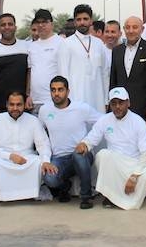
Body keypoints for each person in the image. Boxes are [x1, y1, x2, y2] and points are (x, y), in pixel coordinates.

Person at [76, 87, 146, 210]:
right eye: (114, 103)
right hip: (115, 165)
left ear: (128, 103)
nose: (117, 107)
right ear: (110, 105)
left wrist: (134, 176)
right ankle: (111, 196)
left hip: (133, 164)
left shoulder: (137, 121)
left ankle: (137, 192)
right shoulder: (105, 120)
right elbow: (92, 138)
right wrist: (84, 144)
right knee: (103, 155)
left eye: (121, 103)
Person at [39, 76, 101, 209]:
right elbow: (41, 138)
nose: (56, 93)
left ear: (67, 91)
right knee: (49, 178)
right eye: (53, 90)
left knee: (79, 157)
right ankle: (64, 186)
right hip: (58, 158)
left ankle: (86, 197)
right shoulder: (44, 111)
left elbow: (102, 122)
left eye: (60, 89)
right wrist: (45, 159)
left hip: (81, 155)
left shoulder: (81, 108)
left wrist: (87, 142)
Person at [0, 91, 54, 201]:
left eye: (19, 104)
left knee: (39, 164)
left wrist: (45, 160)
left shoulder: (33, 120)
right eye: (12, 104)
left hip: (27, 159)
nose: (15, 108)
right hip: (4, 159)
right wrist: (10, 156)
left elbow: (43, 144)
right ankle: (4, 194)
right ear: (6, 104)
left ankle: (29, 193)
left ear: (24, 105)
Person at [109, 16, 146, 147]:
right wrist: (111, 104)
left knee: (145, 145)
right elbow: (113, 79)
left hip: (144, 109)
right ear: (124, 30)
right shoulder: (117, 50)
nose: (131, 31)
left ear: (142, 29)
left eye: (135, 27)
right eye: (128, 27)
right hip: (121, 108)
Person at [58, 4, 109, 113]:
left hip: (98, 100)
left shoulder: (99, 44)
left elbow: (105, 73)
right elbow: (63, 75)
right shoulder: (66, 44)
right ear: (75, 22)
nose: (82, 22)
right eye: (79, 19)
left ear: (91, 21)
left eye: (85, 19)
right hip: (75, 100)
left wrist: (106, 100)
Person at [0, 13, 29, 116]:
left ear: (15, 27)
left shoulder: (26, 46)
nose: (7, 27)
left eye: (10, 24)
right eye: (3, 25)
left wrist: (29, 96)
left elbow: (29, 73)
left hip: (22, 105)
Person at [28, 9, 63, 114]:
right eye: (38, 22)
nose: (41, 25)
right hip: (35, 102)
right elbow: (30, 72)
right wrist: (28, 95)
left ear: (51, 24)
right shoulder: (32, 46)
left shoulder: (62, 43)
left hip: (55, 101)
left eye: (44, 22)